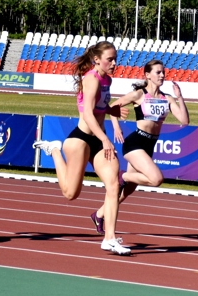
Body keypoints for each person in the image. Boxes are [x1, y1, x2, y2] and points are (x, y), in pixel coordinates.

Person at [32, 41, 131, 255]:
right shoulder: (91, 79)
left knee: (114, 183)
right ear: (97, 60)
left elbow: (99, 109)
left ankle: (109, 238)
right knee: (70, 194)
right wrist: (105, 139)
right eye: (110, 59)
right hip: (80, 140)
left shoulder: (107, 79)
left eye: (116, 59)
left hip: (97, 138)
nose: (114, 63)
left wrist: (112, 112)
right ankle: (55, 150)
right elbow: (87, 114)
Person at [89, 59, 189, 233]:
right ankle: (125, 176)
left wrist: (179, 97)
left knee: (125, 192)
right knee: (156, 179)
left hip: (149, 145)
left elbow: (184, 120)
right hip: (135, 143)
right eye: (158, 72)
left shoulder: (167, 98)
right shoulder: (139, 95)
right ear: (147, 75)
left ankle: (99, 214)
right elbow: (112, 106)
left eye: (163, 72)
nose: (162, 75)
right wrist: (116, 127)